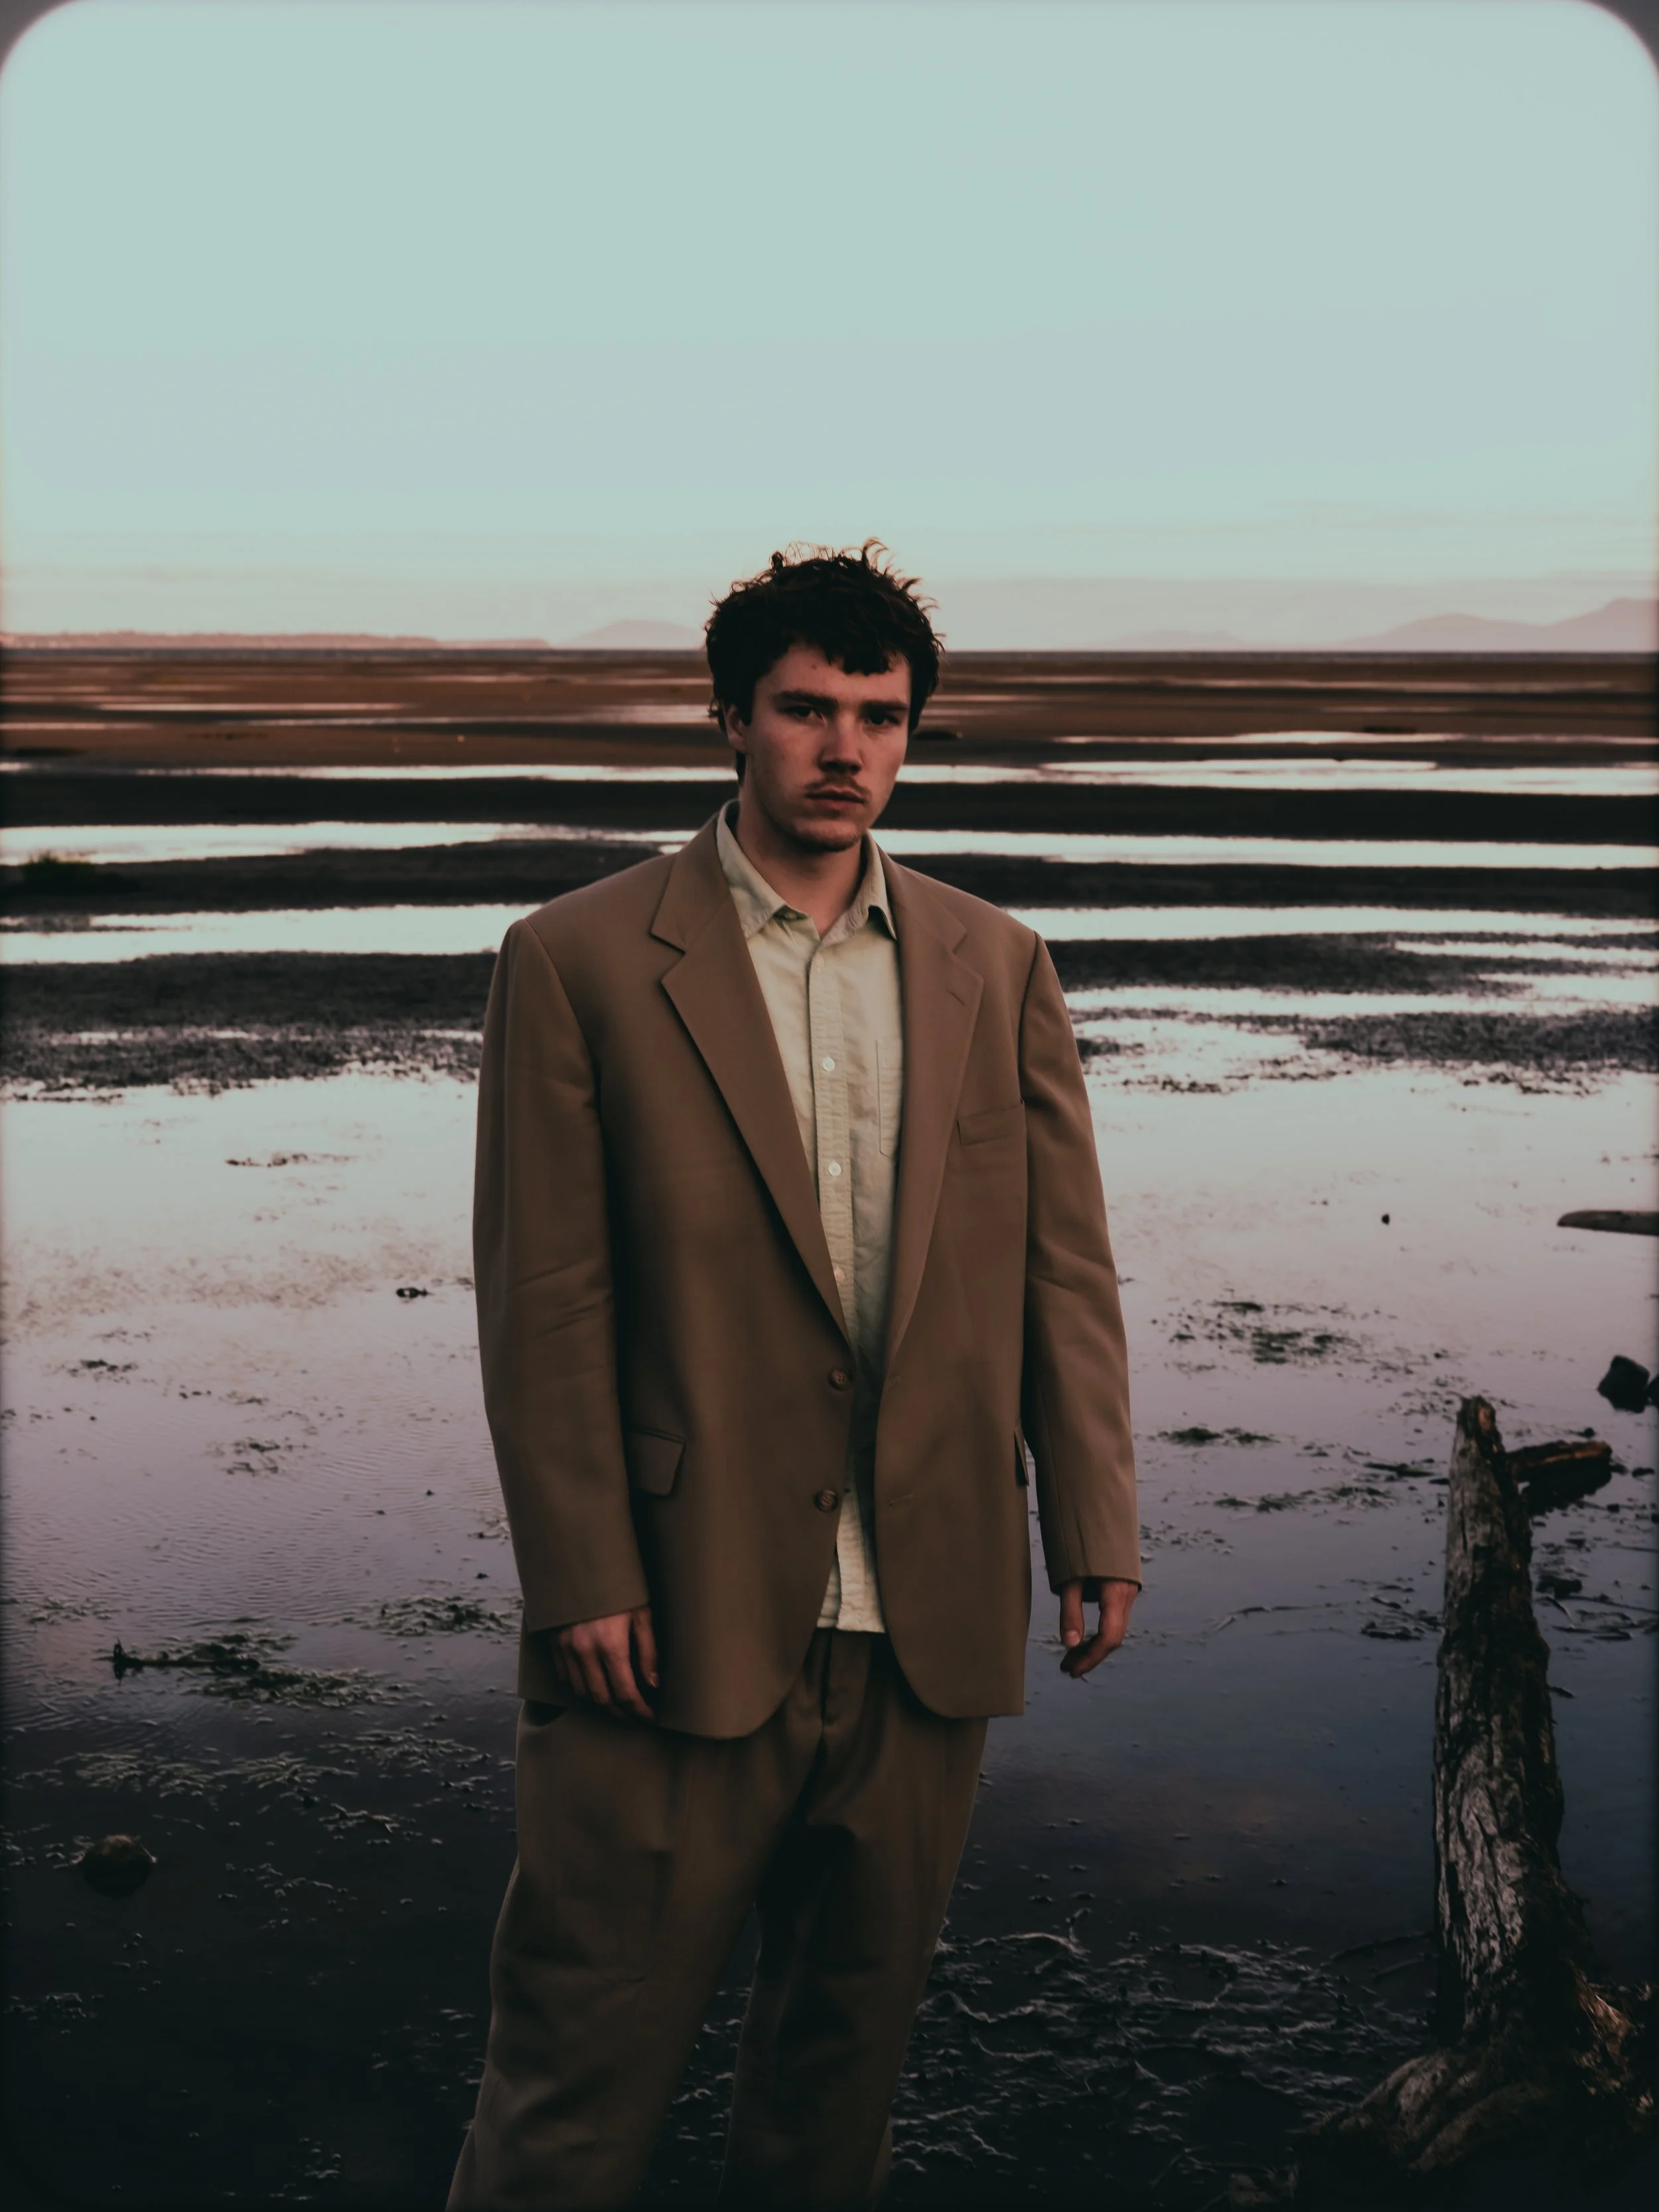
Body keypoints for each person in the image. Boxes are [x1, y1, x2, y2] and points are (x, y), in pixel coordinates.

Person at [449, 543, 1139, 2210]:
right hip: (669, 1614)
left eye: (881, 717)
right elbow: (542, 1295)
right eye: (808, 710)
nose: (846, 748)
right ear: (730, 723)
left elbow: (1061, 1266)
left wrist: (1094, 1522)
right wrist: (583, 1572)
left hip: (922, 1617)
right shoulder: (580, 956)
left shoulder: (997, 961)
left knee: (838, 2089)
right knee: (572, 2089)